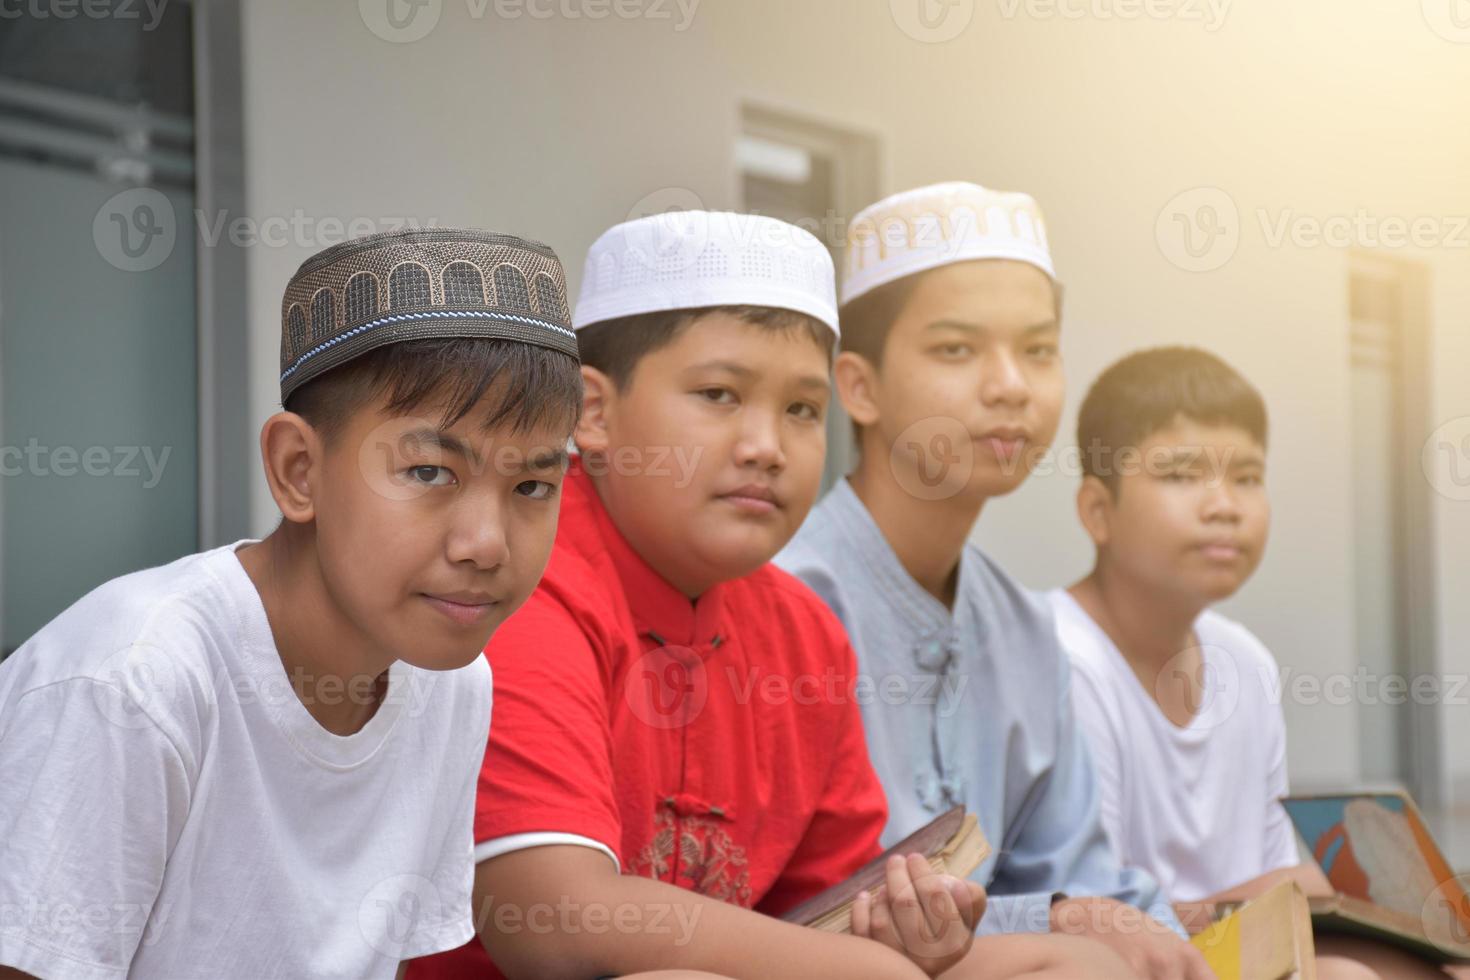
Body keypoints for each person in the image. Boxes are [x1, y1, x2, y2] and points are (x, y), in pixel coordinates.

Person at [412, 210, 1126, 980]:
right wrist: (871, 972)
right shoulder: (525, 585)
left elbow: (830, 910)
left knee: (1076, 965)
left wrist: (902, 936)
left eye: (801, 410)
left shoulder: (804, 633)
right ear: (594, 413)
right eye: (719, 395)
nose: (766, 446)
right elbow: (556, 924)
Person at [0, 229, 587, 979]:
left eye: (532, 487)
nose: (486, 543)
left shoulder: (451, 682)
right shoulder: (135, 682)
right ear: (299, 469)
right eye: (431, 472)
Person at [776, 183, 1210, 980]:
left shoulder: (1019, 623)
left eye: (1037, 350)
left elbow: (1080, 875)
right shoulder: (792, 597)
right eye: (957, 350)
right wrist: (1058, 920)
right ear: (859, 386)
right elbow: (813, 904)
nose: (1010, 384)